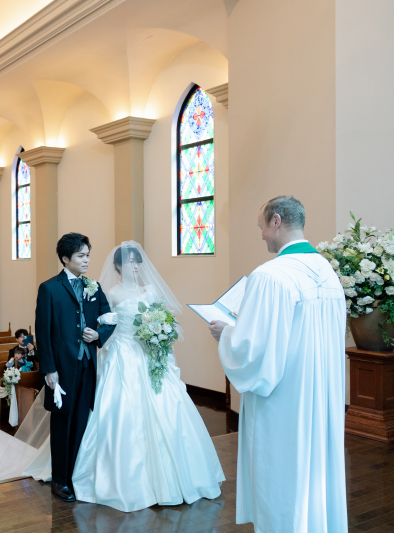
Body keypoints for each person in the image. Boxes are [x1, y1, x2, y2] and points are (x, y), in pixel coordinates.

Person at [208, 196, 347, 532]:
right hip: (320, 397)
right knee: (315, 474)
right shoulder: (327, 272)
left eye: (261, 226)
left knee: (282, 472)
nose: (261, 236)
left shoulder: (271, 275)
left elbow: (253, 349)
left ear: (276, 221)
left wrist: (226, 333)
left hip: (283, 400)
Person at [68, 241, 224, 511]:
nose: (135, 265)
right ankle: (129, 480)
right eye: (129, 261)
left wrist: (160, 335)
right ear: (118, 266)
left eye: (137, 261)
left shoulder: (150, 291)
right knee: (122, 412)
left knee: (168, 408)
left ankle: (180, 477)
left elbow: (164, 320)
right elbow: (104, 323)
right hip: (123, 355)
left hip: (150, 355)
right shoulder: (112, 293)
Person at [34, 233, 115, 502]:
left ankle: (74, 475)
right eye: (81, 255)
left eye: (88, 255)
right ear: (65, 258)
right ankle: (60, 481)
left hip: (88, 365)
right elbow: (43, 333)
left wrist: (99, 334)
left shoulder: (94, 286)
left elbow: (110, 318)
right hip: (62, 367)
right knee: (62, 423)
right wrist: (49, 369)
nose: (87, 260)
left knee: (81, 420)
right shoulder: (50, 288)